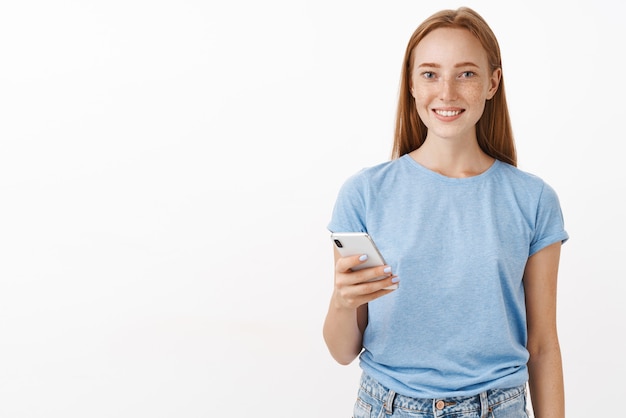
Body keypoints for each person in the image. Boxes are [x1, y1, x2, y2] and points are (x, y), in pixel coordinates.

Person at [323, 7, 568, 418]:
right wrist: (343, 302)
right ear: (412, 85)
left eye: (467, 74)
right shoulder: (364, 194)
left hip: (498, 407)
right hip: (387, 406)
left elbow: (542, 347)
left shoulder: (533, 199)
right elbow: (342, 351)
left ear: (493, 83)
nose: (447, 93)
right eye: (430, 74)